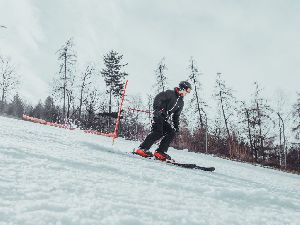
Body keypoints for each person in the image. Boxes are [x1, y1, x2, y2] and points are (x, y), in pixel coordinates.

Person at [134, 81, 192, 161]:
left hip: (164, 119)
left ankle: (160, 152)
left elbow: (176, 115)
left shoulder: (181, 102)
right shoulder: (170, 93)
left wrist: (176, 126)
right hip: (158, 115)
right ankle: (142, 149)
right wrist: (157, 109)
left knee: (171, 132)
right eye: (187, 90)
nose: (187, 93)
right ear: (182, 88)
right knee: (158, 132)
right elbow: (158, 98)